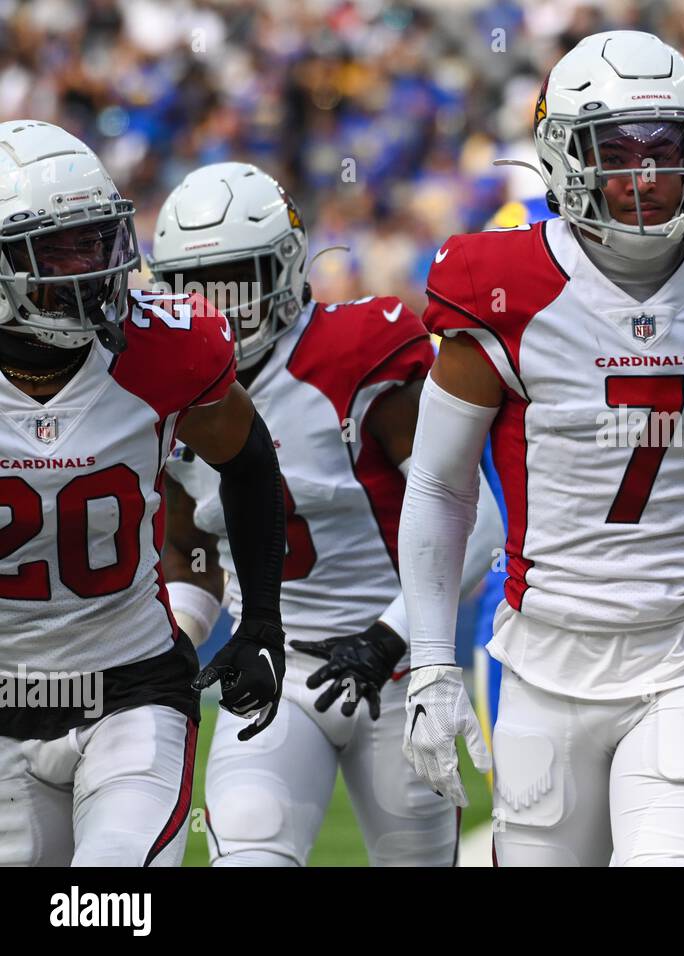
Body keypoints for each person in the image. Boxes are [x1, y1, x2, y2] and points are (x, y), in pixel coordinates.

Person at [399, 30, 684, 866]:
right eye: (617, 153)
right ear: (563, 156)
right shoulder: (498, 288)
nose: (648, 179)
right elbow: (439, 487)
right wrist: (434, 663)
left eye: (670, 150)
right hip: (542, 668)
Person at [153, 162, 503, 866]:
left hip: (399, 669)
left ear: (283, 269)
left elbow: (478, 523)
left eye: (236, 282)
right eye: (196, 288)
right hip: (273, 667)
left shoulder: (357, 353)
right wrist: (179, 642)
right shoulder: (170, 380)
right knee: (247, 854)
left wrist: (389, 637)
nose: (218, 307)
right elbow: (190, 547)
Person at [0, 121, 285, 866]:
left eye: (95, 240)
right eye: (55, 250)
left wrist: (261, 624)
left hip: (131, 689)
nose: (89, 268)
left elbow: (250, 463)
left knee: (108, 898)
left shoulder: (166, 348)